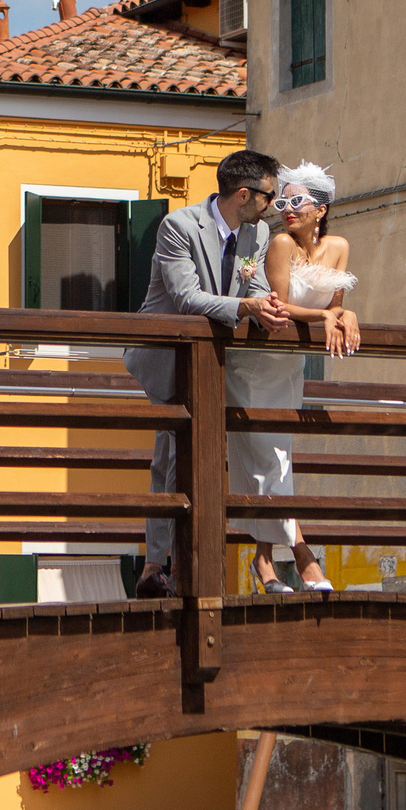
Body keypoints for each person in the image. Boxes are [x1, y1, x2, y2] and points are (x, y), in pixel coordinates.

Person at [127, 149, 284, 599]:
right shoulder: (178, 225)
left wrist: (265, 307)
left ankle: (160, 567)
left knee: (177, 458)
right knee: (173, 457)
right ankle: (165, 565)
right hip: (165, 357)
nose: (272, 206)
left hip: (210, 362)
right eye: (269, 196)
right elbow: (187, 297)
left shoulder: (256, 233)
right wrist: (247, 306)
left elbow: (254, 285)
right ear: (244, 194)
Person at [235, 161, 362, 592]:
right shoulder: (280, 243)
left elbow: (336, 303)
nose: (287, 210)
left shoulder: (339, 247)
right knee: (268, 458)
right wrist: (326, 315)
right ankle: (304, 556)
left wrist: (346, 314)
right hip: (256, 364)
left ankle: (263, 560)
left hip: (289, 366)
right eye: (282, 203)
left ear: (320, 209)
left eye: (297, 202)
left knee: (276, 459)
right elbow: (282, 306)